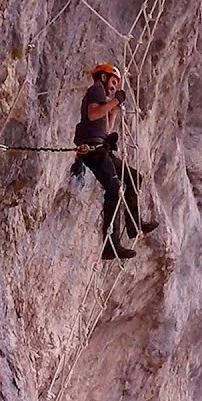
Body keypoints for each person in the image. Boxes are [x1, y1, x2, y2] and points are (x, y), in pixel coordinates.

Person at [74, 64, 159, 260]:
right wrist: (114, 102)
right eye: (112, 81)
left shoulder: (103, 96)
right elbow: (93, 114)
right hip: (93, 150)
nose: (113, 86)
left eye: (115, 84)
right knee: (114, 188)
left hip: (100, 148)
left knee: (133, 177)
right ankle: (110, 245)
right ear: (103, 77)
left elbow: (103, 126)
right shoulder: (96, 89)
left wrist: (114, 111)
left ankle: (134, 225)